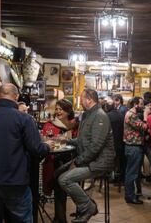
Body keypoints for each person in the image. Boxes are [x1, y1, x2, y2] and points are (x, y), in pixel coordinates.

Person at [0, 83, 54, 222]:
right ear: (16, 96)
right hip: (15, 181)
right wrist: (47, 146)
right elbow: (36, 149)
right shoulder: (24, 119)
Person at [58, 89, 115, 223]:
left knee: (64, 179)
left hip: (99, 163)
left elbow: (96, 146)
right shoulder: (87, 115)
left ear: (89, 99)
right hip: (89, 159)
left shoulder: (100, 115)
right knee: (57, 174)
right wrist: (66, 141)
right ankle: (74, 210)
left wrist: (78, 161)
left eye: (82, 98)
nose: (80, 101)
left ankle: (88, 207)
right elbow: (82, 139)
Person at [41, 99, 78, 223]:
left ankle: (60, 218)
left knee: (64, 190)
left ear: (68, 111)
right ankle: (60, 218)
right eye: (56, 109)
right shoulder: (49, 124)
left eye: (61, 109)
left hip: (71, 160)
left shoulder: (74, 124)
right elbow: (46, 140)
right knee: (59, 189)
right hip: (55, 160)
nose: (58, 111)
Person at [123, 97, 151, 204]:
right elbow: (144, 127)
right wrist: (146, 115)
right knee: (132, 173)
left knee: (131, 172)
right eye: (141, 104)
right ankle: (130, 197)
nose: (143, 106)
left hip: (133, 147)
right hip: (133, 147)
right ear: (135, 104)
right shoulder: (131, 115)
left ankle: (130, 195)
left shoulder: (131, 114)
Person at [103, 100, 125, 184]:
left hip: (109, 145)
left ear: (106, 107)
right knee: (118, 162)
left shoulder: (106, 116)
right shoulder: (121, 115)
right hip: (120, 144)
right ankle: (117, 177)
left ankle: (108, 176)